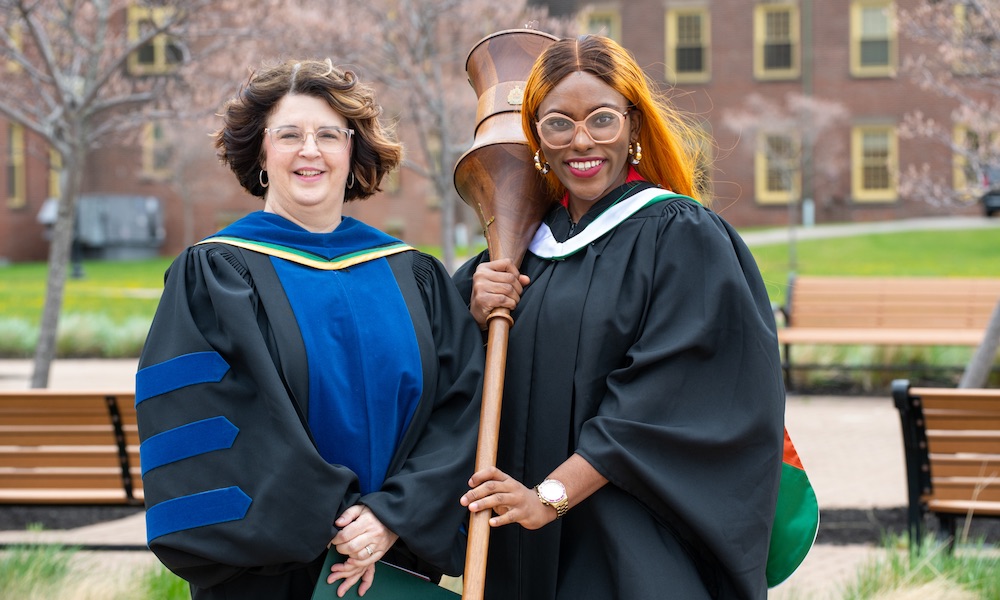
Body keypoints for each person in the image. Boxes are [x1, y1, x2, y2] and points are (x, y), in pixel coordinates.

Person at [135, 58, 484, 600]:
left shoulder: (413, 274)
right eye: (289, 134)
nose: (310, 150)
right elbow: (210, 420)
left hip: (398, 563)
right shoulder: (217, 274)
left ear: (353, 151)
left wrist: (392, 516)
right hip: (268, 575)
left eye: (329, 134)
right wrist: (338, 523)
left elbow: (461, 409)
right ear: (261, 153)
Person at [456, 35, 786, 599]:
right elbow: (446, 380)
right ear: (536, 135)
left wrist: (550, 497)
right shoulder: (518, 251)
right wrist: (472, 312)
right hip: (520, 541)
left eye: (602, 119)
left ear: (634, 125)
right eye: (558, 123)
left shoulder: (681, 234)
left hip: (629, 539)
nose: (581, 141)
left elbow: (666, 398)